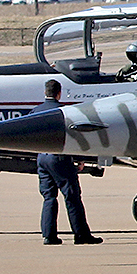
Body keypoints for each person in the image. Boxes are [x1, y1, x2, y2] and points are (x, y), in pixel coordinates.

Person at [34, 79, 101, 245]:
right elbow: (74, 138)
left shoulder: (35, 111)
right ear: (59, 93)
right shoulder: (64, 111)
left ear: (45, 93)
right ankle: (81, 235)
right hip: (59, 157)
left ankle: (49, 236)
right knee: (72, 197)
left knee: (49, 197)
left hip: (42, 159)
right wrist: (79, 159)